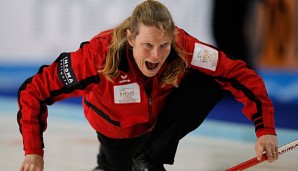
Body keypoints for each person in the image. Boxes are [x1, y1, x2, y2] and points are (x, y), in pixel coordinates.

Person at [17, 1, 278, 171]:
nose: (156, 56)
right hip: (115, 132)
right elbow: (34, 91)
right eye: (148, 45)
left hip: (156, 127)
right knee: (115, 167)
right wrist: (33, 152)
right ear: (130, 37)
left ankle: (149, 159)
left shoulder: (183, 45)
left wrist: (264, 129)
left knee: (210, 81)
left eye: (164, 45)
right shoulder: (97, 56)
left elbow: (239, 73)